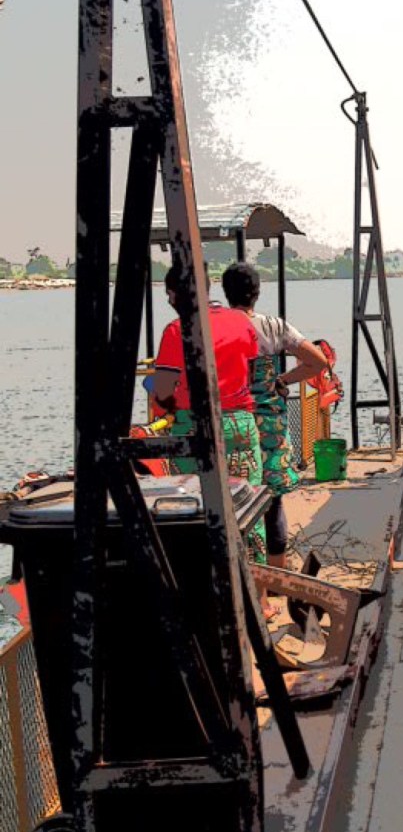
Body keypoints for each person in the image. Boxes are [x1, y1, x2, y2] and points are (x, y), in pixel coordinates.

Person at [221, 261, 328, 612]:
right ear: (258, 292)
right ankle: (276, 580)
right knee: (273, 500)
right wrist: (282, 382)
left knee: (237, 504)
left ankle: (244, 582)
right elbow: (318, 362)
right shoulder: (273, 326)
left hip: (234, 423)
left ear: (225, 292)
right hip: (269, 426)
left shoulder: (220, 329)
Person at [151, 260, 266, 562]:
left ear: (178, 292)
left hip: (194, 427)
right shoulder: (241, 321)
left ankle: (209, 589)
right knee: (247, 507)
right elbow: (250, 375)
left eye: (169, 293)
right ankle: (261, 594)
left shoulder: (177, 330)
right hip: (241, 422)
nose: (168, 300)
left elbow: (162, 391)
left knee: (194, 511)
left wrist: (170, 403)